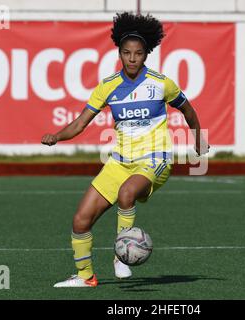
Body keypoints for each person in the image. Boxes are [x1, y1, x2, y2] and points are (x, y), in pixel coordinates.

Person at [41, 12, 209, 288]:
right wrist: (57, 136)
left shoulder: (161, 83)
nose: (132, 58)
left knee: (127, 192)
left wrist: (198, 138)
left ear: (146, 55)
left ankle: (121, 257)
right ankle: (85, 277)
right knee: (81, 220)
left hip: (156, 159)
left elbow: (187, 109)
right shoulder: (107, 87)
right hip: (119, 162)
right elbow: (81, 123)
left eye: (139, 53)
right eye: (127, 53)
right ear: (119, 53)